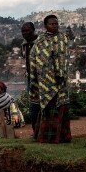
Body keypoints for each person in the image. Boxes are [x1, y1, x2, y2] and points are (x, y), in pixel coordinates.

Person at [31, 14, 72, 143]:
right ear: (45, 26)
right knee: (48, 109)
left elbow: (64, 57)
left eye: (56, 24)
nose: (54, 26)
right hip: (45, 82)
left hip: (61, 81)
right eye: (51, 24)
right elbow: (34, 58)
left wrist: (61, 74)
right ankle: (46, 137)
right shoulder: (40, 41)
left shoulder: (63, 39)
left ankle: (62, 137)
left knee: (61, 108)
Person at [20, 22, 41, 138]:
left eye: (27, 30)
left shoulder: (40, 43)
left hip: (42, 79)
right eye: (23, 31)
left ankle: (43, 131)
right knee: (33, 105)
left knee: (43, 105)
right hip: (30, 79)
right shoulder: (24, 45)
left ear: (33, 30)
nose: (25, 33)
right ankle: (36, 131)